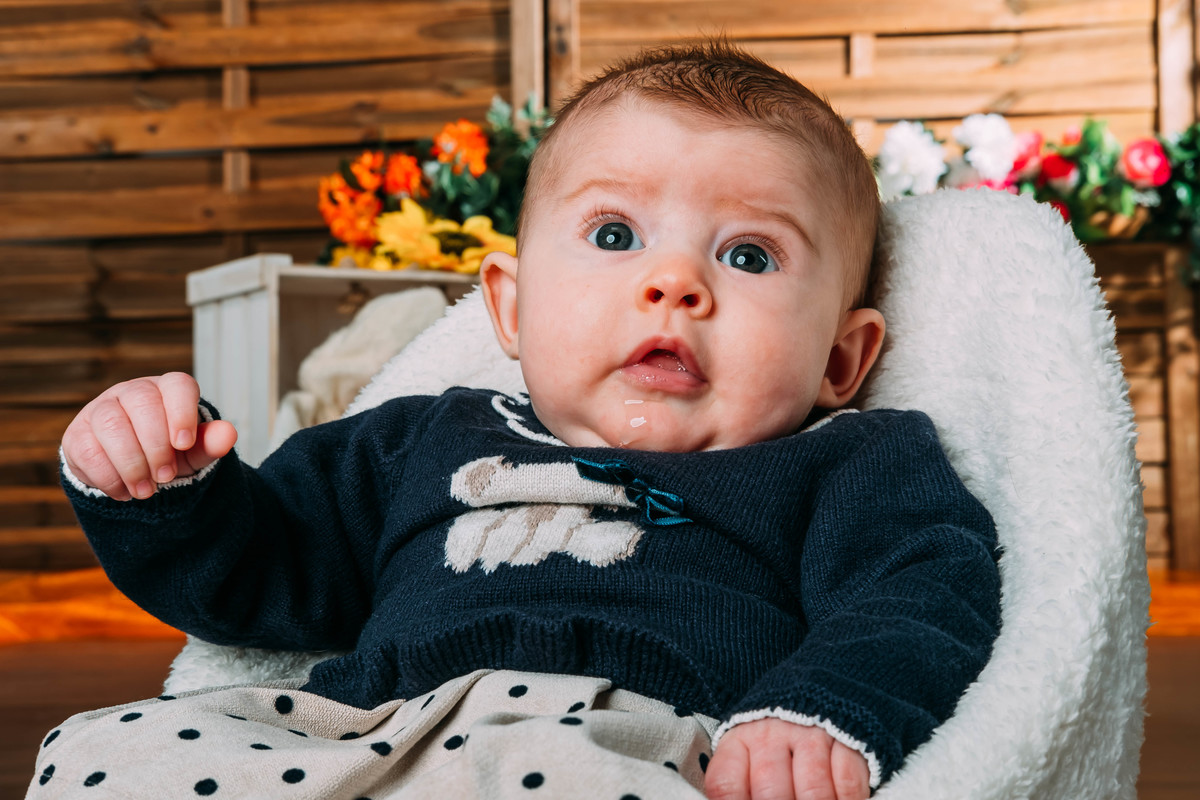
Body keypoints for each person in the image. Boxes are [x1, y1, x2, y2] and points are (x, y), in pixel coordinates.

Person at [40, 41, 1000, 800]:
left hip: (623, 741)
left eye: (749, 256)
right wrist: (164, 483)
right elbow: (265, 568)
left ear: (840, 358)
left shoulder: (845, 463)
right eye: (615, 235)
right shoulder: (418, 439)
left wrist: (814, 712)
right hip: (367, 736)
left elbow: (920, 591)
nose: (675, 284)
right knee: (102, 756)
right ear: (511, 304)